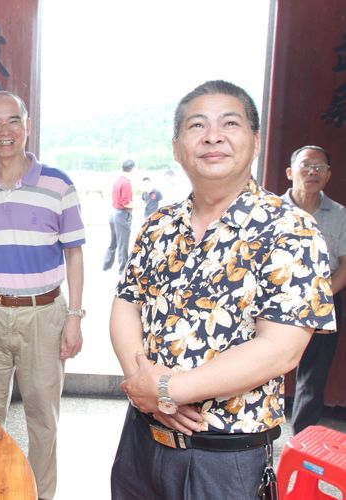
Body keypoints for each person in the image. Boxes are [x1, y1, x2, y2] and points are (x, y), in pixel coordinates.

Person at [110, 80, 336, 499]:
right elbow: (126, 303)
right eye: (197, 125)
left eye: (229, 123)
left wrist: (166, 391)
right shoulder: (159, 224)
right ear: (177, 148)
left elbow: (281, 349)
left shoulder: (290, 229)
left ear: (255, 141)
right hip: (140, 441)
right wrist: (141, 383)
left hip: (222, 458)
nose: (212, 136)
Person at [0, 90, 85, 500]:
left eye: (13, 121)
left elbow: (74, 253)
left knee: (43, 419)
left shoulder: (58, 183)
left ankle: (41, 494)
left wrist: (75, 316)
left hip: (44, 313)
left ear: (27, 125)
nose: (4, 131)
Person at [282, 145, 346, 434]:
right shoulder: (271, 210)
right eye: (306, 165)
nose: (313, 172)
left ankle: (300, 441)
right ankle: (254, 437)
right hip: (277, 297)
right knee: (260, 366)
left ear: (328, 174)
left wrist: (318, 297)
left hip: (325, 297)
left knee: (313, 376)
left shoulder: (340, 214)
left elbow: (345, 265)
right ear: (290, 172)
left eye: (320, 167)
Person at [103, 159, 134, 273]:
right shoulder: (126, 183)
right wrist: (139, 205)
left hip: (114, 213)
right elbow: (126, 203)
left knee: (114, 242)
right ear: (132, 169)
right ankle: (123, 270)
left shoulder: (118, 180)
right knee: (123, 243)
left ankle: (106, 265)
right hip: (122, 215)